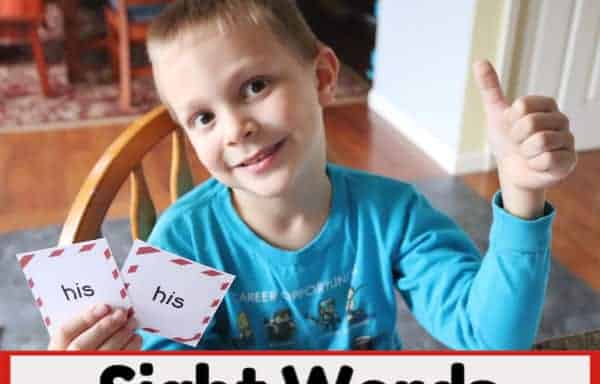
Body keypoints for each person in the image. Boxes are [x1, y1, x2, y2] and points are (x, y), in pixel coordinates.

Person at [49, 0, 576, 352]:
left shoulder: (392, 215)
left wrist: (524, 193)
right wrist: (106, 370)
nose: (236, 130)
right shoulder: (183, 241)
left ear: (323, 77)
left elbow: (491, 340)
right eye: (203, 117)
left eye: (255, 86)